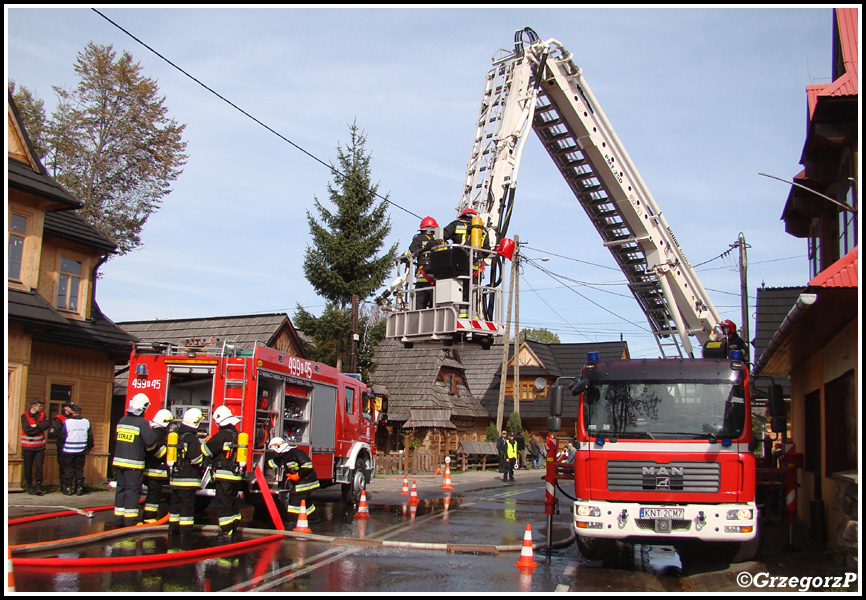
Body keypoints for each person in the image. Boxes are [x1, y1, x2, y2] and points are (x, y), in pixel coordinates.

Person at [112, 393, 158, 525]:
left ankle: (119, 518)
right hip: (134, 464)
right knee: (132, 491)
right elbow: (150, 442)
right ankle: (130, 521)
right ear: (144, 407)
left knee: (121, 490)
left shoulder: (122, 420)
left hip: (119, 462)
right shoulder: (142, 423)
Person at [203, 406, 243, 541]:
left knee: (223, 503)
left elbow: (206, 451)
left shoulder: (221, 435)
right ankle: (234, 527)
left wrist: (208, 441)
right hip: (236, 475)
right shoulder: (237, 435)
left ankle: (226, 532)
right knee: (231, 501)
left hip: (223, 474)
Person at [169, 408, 205, 538]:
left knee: (175, 507)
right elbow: (196, 459)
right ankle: (185, 535)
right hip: (188, 478)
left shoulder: (176, 436)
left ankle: (173, 531)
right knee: (187, 507)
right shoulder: (191, 439)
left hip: (175, 478)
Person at [266, 437, 321, 523]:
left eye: (274, 451)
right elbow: (271, 464)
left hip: (307, 481)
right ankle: (314, 518)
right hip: (301, 482)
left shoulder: (296, 453)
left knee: (294, 500)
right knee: (303, 502)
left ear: (278, 447)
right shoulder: (283, 457)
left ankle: (293, 521)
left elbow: (308, 466)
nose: (274, 453)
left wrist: (297, 476)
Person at [142, 409, 174, 523]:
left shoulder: (154, 432)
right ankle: (149, 518)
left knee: (153, 495)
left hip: (151, 470)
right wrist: (170, 452)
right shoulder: (159, 433)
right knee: (153, 496)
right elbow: (157, 451)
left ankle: (148, 516)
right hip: (156, 471)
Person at [407, 216, 442, 309]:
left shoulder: (419, 239)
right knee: (435, 307)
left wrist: (403, 258)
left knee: (418, 306)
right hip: (439, 278)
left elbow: (410, 253)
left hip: (423, 277)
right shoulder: (441, 240)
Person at [58, 404, 94, 496]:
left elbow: (62, 436)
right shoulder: (86, 422)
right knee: (79, 469)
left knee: (69, 469)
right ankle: (79, 488)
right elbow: (90, 436)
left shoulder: (67, 422)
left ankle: (68, 488)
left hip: (69, 449)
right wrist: (90, 447)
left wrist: (61, 446)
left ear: (72, 412)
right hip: (81, 448)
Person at [20, 398, 51, 495]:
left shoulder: (42, 415)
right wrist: (39, 428)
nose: (41, 407)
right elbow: (28, 430)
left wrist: (36, 427)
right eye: (39, 406)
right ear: (33, 406)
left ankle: (38, 486)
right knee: (28, 467)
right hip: (27, 447)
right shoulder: (24, 416)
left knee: (39, 467)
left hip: (39, 447)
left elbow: (47, 424)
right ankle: (30, 486)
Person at [52, 401, 75, 495]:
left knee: (72, 467)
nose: (72, 410)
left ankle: (70, 485)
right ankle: (64, 486)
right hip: (63, 446)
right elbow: (57, 433)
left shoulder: (74, 419)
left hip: (73, 446)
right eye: (70, 407)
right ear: (65, 408)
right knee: (64, 467)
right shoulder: (59, 419)